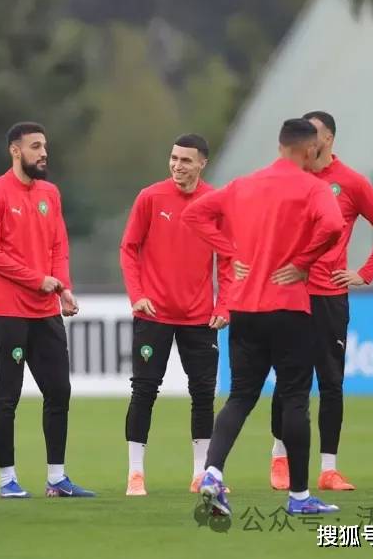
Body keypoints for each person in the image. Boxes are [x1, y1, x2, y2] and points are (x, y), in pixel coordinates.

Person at [184, 118, 344, 516]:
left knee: (240, 396)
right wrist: (304, 262)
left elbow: (195, 216)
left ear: (279, 146)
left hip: (245, 308)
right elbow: (334, 225)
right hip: (289, 307)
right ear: (310, 149)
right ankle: (300, 497)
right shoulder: (313, 187)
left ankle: (212, 472)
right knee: (294, 400)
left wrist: (230, 251)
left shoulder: (244, 184)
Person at [268, 111, 373, 492]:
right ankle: (280, 456)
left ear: (329, 139)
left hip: (330, 296)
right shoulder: (289, 178)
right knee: (289, 378)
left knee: (331, 382)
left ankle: (328, 469)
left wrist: (365, 273)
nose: (308, 139)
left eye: (315, 132)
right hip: (289, 293)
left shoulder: (351, 182)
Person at [0, 121, 94, 499]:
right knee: (8, 395)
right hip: (8, 310)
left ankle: (57, 479)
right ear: (15, 151)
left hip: (45, 310)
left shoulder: (49, 193)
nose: (44, 153)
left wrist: (63, 287)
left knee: (59, 391)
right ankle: (7, 480)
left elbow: (59, 246)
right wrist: (36, 279)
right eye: (35, 146)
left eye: (44, 146)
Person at [119, 133, 230, 496]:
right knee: (144, 390)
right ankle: (136, 473)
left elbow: (228, 259)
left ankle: (201, 473)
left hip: (200, 317)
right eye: (174, 158)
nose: (177, 165)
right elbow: (129, 248)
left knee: (203, 393)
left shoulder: (215, 202)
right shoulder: (150, 197)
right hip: (154, 315)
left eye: (185, 160)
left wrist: (224, 304)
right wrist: (137, 295)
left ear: (202, 164)